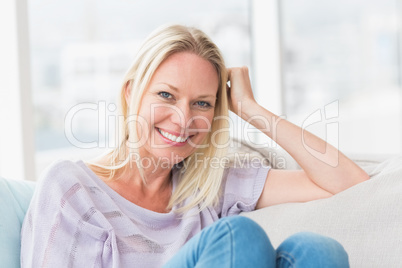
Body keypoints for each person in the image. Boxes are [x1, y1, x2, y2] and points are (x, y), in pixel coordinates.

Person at [20, 24, 369, 267]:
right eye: (166, 95)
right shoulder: (72, 188)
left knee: (318, 251)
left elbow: (350, 184)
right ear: (131, 93)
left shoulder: (212, 184)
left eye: (201, 103)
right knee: (238, 236)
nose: (183, 120)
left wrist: (251, 109)